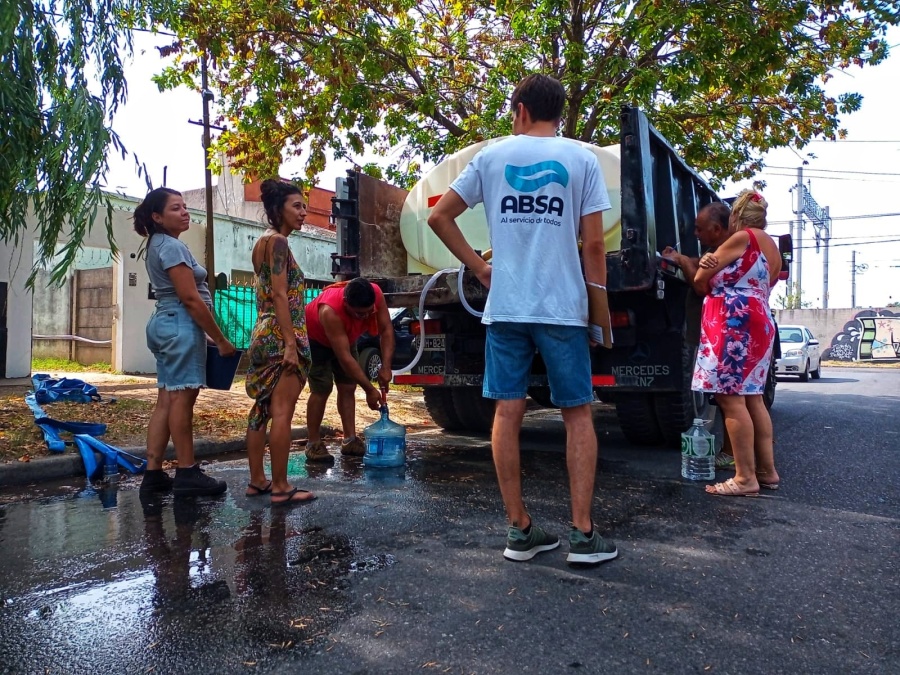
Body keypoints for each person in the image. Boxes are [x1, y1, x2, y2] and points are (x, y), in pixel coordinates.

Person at [427, 73, 618, 565]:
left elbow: (439, 217)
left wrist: (480, 268)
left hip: (507, 306)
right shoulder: (581, 159)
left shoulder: (490, 157)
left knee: (506, 412)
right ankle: (582, 535)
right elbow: (594, 244)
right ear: (557, 113)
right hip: (562, 308)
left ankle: (519, 530)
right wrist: (599, 315)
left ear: (520, 109)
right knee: (577, 411)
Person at [135, 187, 235, 496]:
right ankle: (187, 471)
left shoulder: (158, 244)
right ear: (157, 216)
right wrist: (220, 339)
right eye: (176, 208)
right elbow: (190, 299)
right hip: (179, 323)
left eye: (184, 207)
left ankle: (153, 474)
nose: (184, 212)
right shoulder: (171, 247)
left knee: (166, 398)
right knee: (181, 400)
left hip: (166, 322)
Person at [692, 189, 782, 496]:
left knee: (730, 398)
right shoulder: (772, 246)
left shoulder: (742, 237)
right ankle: (766, 471)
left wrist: (703, 271)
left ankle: (745, 478)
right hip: (759, 319)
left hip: (734, 323)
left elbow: (700, 277)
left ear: (736, 216)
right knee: (753, 397)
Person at [244, 179, 317, 505]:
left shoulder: (261, 243)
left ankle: (257, 481)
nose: (304, 212)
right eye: (296, 206)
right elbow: (278, 294)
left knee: (260, 409)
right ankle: (281, 486)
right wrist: (291, 343)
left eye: (304, 206)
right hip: (280, 333)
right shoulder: (279, 244)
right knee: (283, 411)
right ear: (278, 210)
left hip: (261, 331)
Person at [663, 202, 737, 468]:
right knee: (727, 397)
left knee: (727, 398)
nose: (695, 233)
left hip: (719, 334)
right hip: (718, 333)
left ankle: (732, 455)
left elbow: (699, 284)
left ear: (717, 229)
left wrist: (681, 260)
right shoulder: (720, 249)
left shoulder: (728, 250)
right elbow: (701, 264)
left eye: (699, 229)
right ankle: (740, 456)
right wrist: (683, 258)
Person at [304, 277, 394, 463]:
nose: (366, 317)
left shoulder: (376, 293)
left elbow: (386, 330)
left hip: (345, 337)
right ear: (346, 304)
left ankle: (350, 440)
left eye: (369, 312)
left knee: (348, 386)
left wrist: (386, 367)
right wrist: (370, 389)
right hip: (315, 339)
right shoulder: (330, 311)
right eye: (359, 314)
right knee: (322, 389)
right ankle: (313, 444)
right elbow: (345, 358)